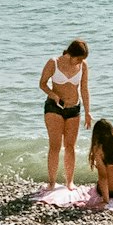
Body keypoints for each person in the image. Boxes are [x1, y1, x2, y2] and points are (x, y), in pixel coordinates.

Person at [39, 40, 92, 190]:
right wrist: (53, 95)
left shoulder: (83, 65)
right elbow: (42, 83)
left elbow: (84, 89)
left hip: (74, 108)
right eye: (79, 58)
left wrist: (88, 112)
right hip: (54, 107)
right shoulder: (53, 62)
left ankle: (70, 182)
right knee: (55, 145)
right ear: (71, 54)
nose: (80, 61)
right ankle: (52, 182)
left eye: (82, 59)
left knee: (70, 146)